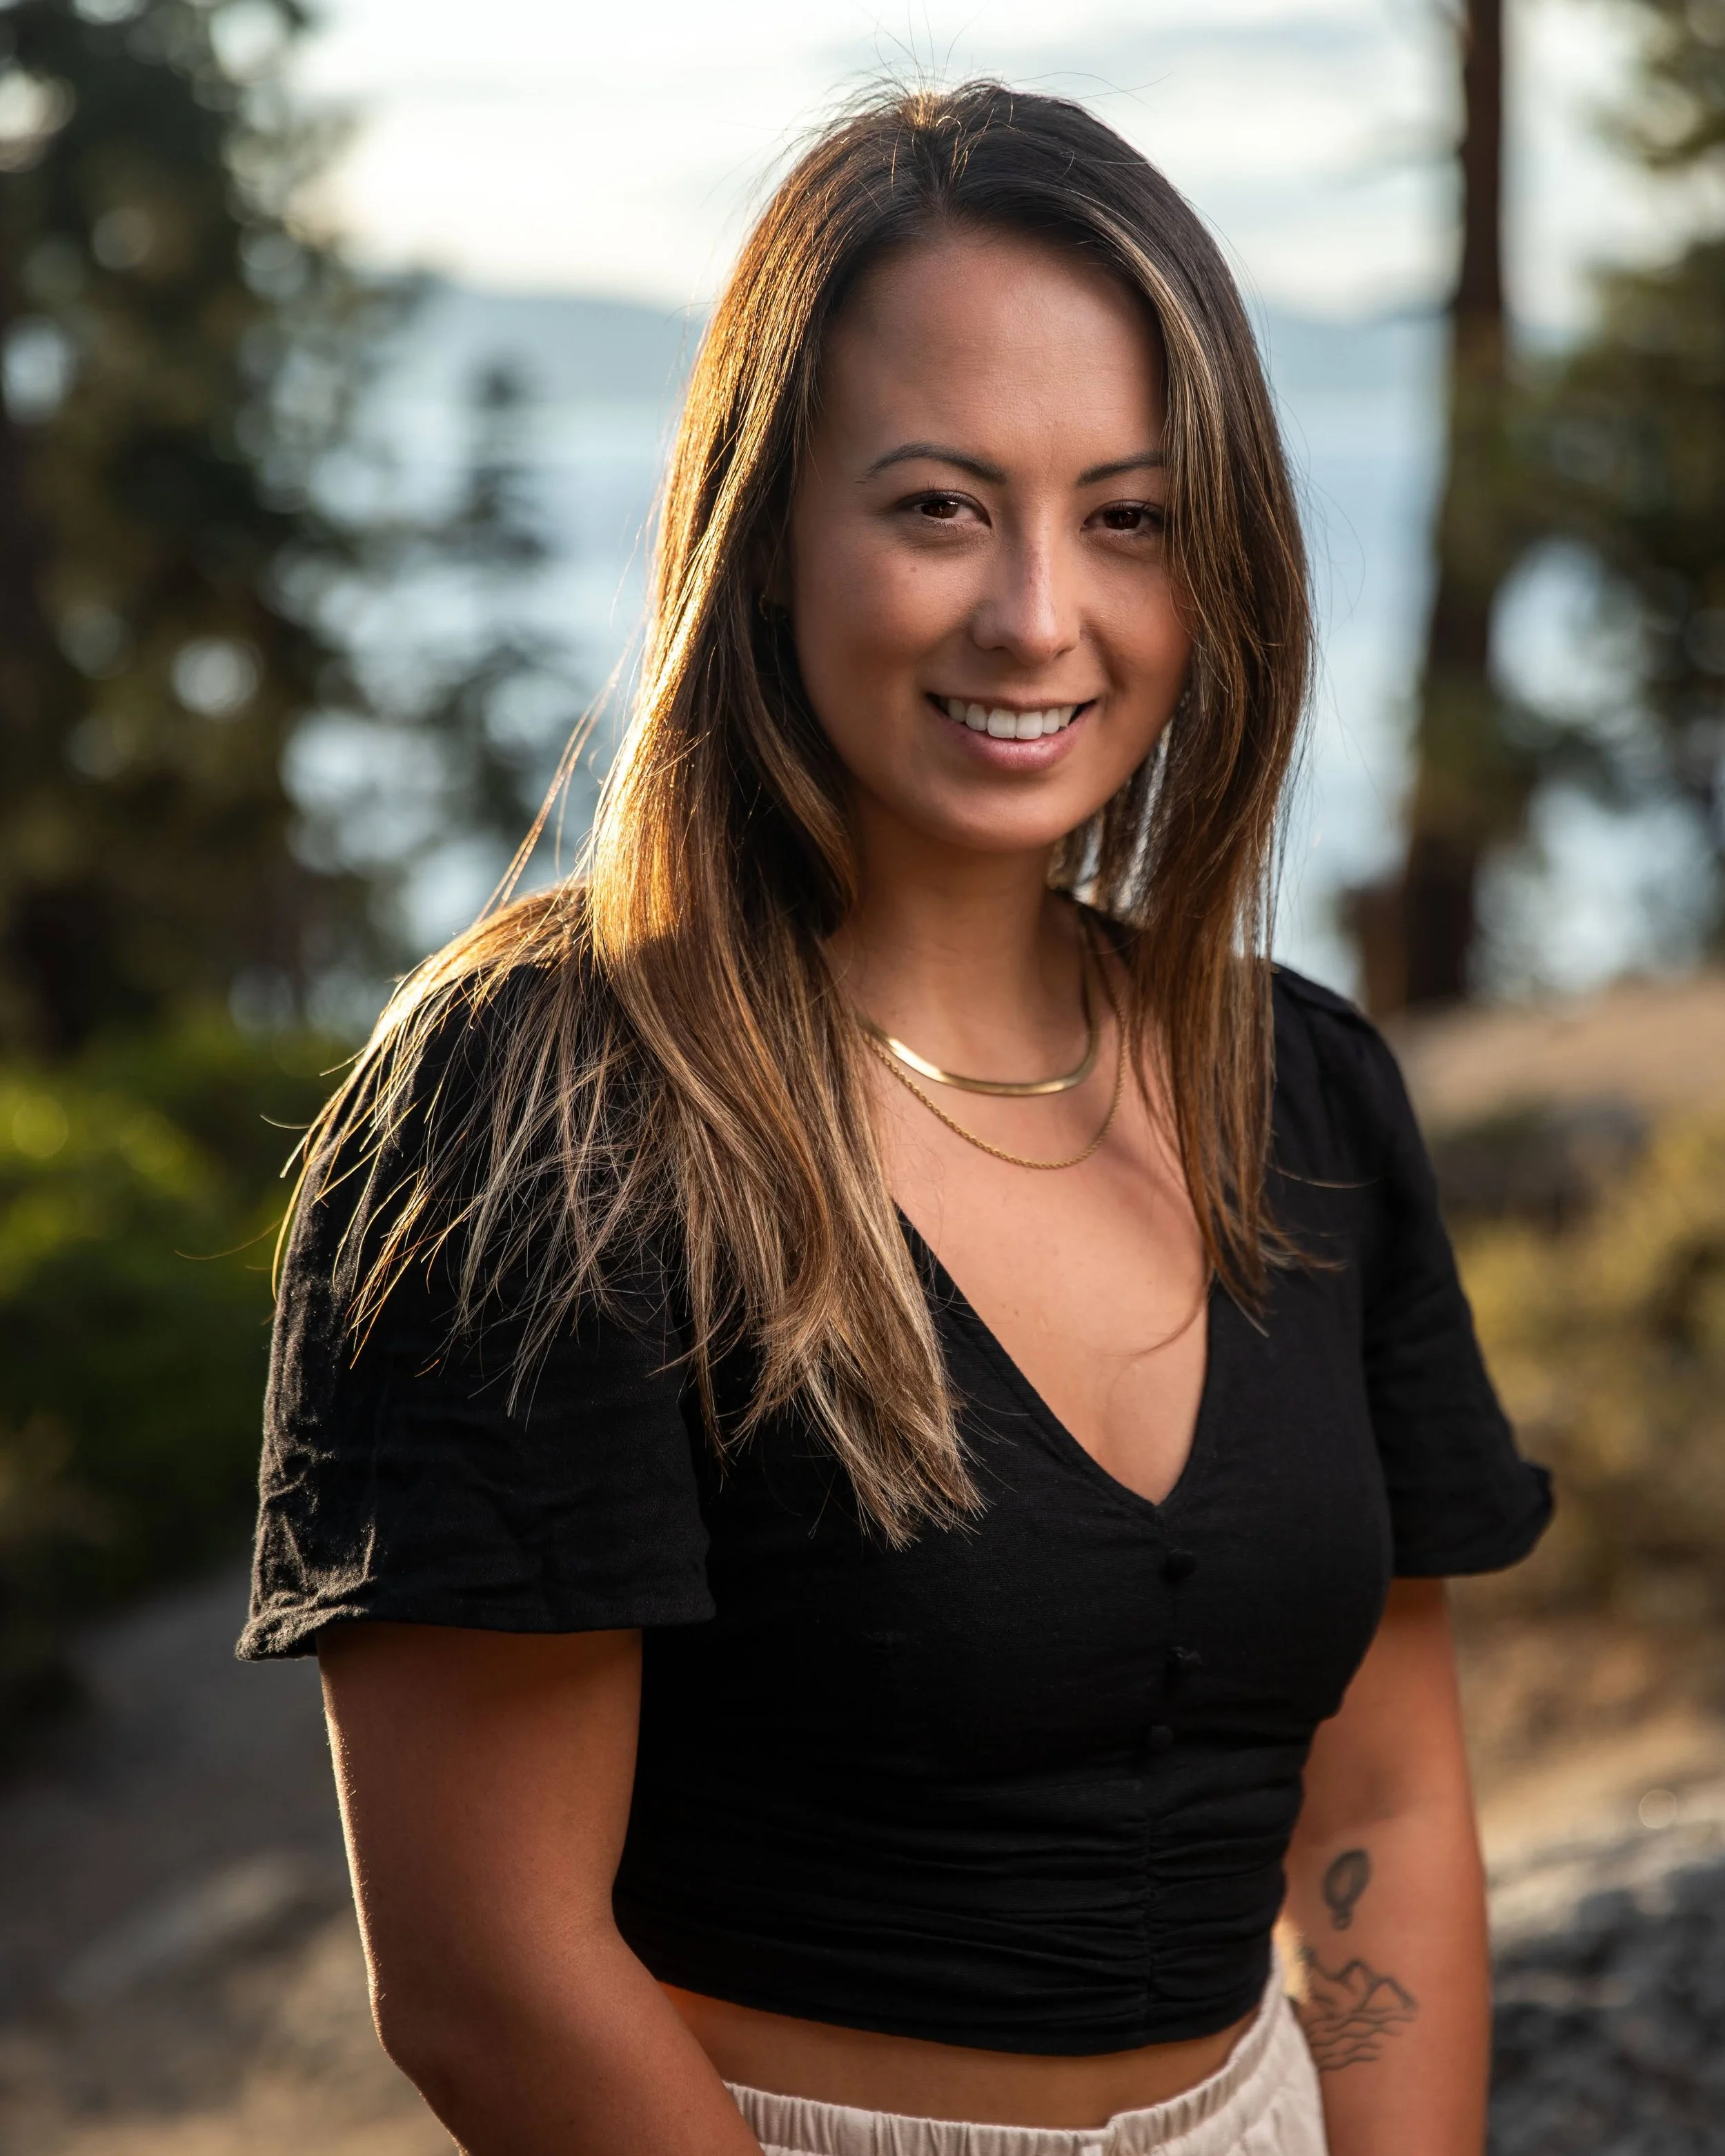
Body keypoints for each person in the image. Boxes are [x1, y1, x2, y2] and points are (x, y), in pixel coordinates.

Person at [241, 82, 1552, 2156]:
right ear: (764, 536)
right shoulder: (547, 1117)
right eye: (938, 505)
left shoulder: (1300, 1090)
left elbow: (1381, 1800)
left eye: (1126, 517)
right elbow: (490, 1981)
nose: (1038, 615)